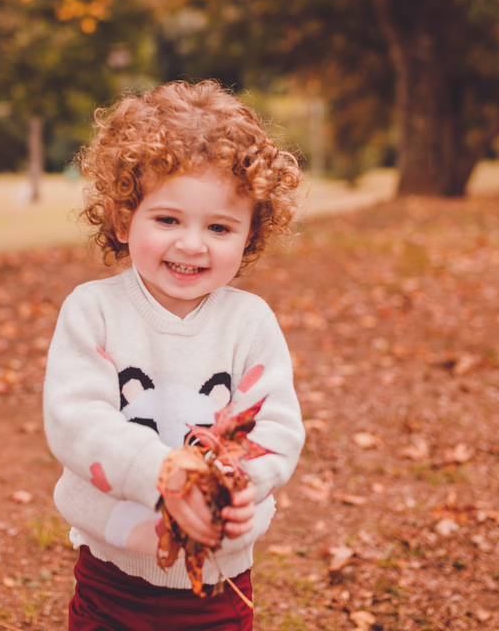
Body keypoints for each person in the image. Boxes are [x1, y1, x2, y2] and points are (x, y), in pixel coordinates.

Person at [43, 80, 305, 630]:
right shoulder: (95, 312)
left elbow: (275, 426)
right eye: (167, 220)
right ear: (122, 220)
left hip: (219, 580)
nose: (192, 244)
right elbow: (77, 421)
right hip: (112, 573)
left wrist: (239, 487)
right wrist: (165, 472)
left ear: (250, 232)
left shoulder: (248, 323)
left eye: (218, 227)